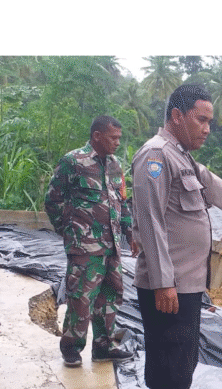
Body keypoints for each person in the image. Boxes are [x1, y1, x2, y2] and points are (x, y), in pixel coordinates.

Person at [131, 85, 222, 389]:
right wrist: (163, 282)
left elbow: (208, 182)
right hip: (168, 286)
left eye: (210, 121)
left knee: (182, 361)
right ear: (177, 116)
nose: (207, 128)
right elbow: (150, 221)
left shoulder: (181, 156)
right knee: (169, 364)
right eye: (201, 119)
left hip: (186, 284)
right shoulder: (155, 155)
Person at [45, 115, 137, 367]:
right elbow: (53, 199)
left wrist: (130, 233)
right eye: (113, 138)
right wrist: (68, 231)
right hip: (84, 247)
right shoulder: (73, 161)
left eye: (119, 138)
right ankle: (71, 349)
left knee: (111, 296)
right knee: (81, 297)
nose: (117, 142)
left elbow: (121, 203)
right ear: (97, 136)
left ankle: (105, 346)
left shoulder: (115, 165)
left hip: (112, 247)